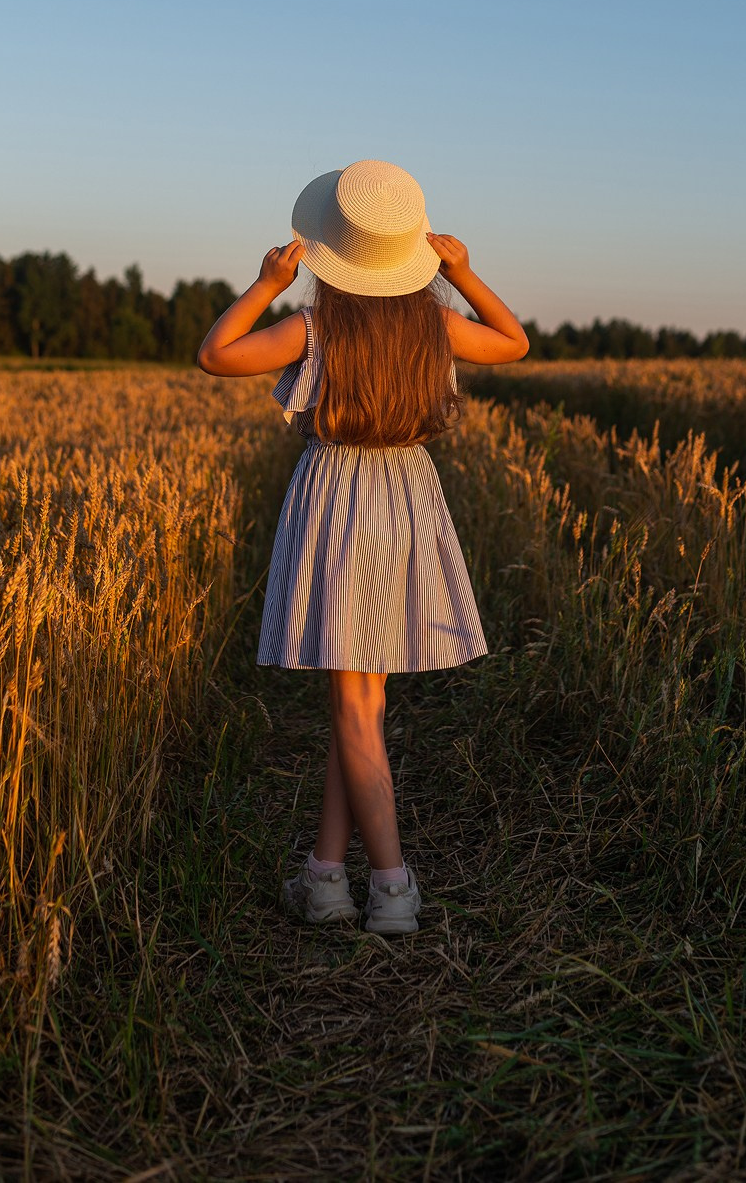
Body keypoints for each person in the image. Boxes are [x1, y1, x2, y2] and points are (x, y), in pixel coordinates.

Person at [198, 159, 528, 935]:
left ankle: (390, 887)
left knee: (353, 705)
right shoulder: (433, 323)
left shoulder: (312, 327)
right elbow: (513, 343)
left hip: (339, 498)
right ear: (407, 254)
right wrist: (467, 274)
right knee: (363, 702)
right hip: (408, 496)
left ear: (331, 252)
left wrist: (261, 285)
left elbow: (215, 354)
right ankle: (323, 878)